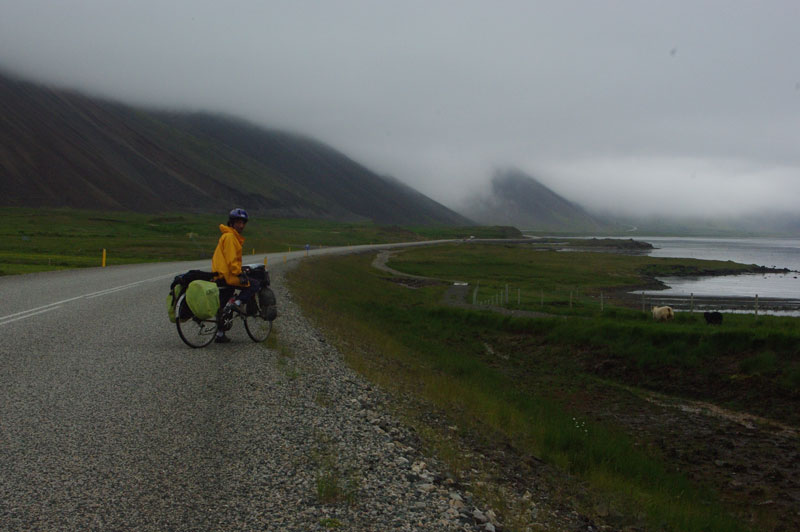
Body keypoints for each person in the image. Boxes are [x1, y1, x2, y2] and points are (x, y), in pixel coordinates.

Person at [211, 208, 260, 343]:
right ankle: (238, 303)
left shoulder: (227, 236)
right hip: (228, 275)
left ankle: (220, 334)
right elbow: (232, 260)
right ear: (232, 223)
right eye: (238, 222)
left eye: (243, 223)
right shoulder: (231, 237)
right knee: (255, 284)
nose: (241, 226)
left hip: (219, 274)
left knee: (224, 303)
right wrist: (239, 273)